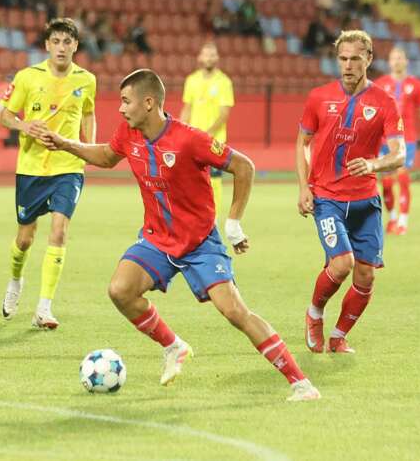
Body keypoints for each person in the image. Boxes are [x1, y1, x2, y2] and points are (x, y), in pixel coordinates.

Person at [40, 69, 319, 401]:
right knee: (120, 290)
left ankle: (300, 382)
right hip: (157, 239)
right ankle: (173, 346)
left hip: (200, 242)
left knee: (234, 311)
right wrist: (65, 143)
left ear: (149, 103)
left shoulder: (190, 138)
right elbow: (105, 156)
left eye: (126, 101)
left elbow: (244, 166)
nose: (120, 108)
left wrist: (233, 223)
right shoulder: (128, 134)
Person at [296, 30, 405, 355]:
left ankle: (340, 335)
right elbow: (302, 144)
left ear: (368, 59)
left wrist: (373, 165)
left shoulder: (385, 103)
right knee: (341, 264)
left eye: (355, 58)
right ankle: (314, 314)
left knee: (366, 274)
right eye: (342, 58)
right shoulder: (318, 97)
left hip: (365, 202)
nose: (347, 65)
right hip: (327, 198)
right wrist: (304, 186)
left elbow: (399, 155)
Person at [0, 17, 97, 329]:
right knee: (25, 239)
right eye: (56, 41)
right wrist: (25, 125)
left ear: (76, 46)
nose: (61, 48)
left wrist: (88, 147)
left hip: (68, 167)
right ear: (47, 45)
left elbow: (90, 113)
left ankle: (44, 308)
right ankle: (15, 280)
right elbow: (4, 115)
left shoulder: (86, 80)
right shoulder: (27, 77)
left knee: (59, 231)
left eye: (67, 42)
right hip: (31, 168)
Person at [373, 46, 420, 235]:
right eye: (394, 58)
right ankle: (392, 219)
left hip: (406, 138)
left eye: (400, 57)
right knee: (385, 182)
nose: (397, 61)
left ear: (406, 61)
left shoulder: (415, 85)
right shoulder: (380, 84)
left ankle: (403, 222)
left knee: (402, 176)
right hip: (385, 139)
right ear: (389, 62)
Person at [180, 43, 234, 215]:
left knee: (214, 179)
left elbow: (224, 113)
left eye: (212, 55)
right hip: (193, 140)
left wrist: (207, 134)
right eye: (206, 54)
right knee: (191, 177)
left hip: (215, 140)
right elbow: (187, 108)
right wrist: (178, 130)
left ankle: (213, 216)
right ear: (200, 58)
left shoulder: (224, 82)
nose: (209, 58)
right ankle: (194, 213)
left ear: (217, 58)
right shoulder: (191, 80)